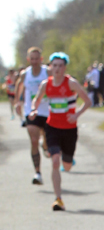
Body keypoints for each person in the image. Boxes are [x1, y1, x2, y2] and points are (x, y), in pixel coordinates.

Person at [29, 52, 91, 211]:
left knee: (67, 165)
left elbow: (88, 101)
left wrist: (76, 114)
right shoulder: (46, 84)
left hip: (70, 130)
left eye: (60, 66)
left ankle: (66, 157)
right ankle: (58, 199)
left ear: (64, 67)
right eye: (54, 65)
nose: (57, 69)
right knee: (55, 161)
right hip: (53, 128)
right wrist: (34, 110)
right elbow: (36, 100)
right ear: (50, 67)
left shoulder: (71, 83)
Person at [14, 47, 50, 184]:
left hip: (47, 111)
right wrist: (18, 103)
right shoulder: (25, 74)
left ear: (41, 59)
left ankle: (45, 145)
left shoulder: (47, 72)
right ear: (28, 59)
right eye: (32, 59)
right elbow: (19, 86)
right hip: (32, 111)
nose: (34, 61)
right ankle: (37, 172)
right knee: (33, 140)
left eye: (37, 59)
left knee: (46, 141)